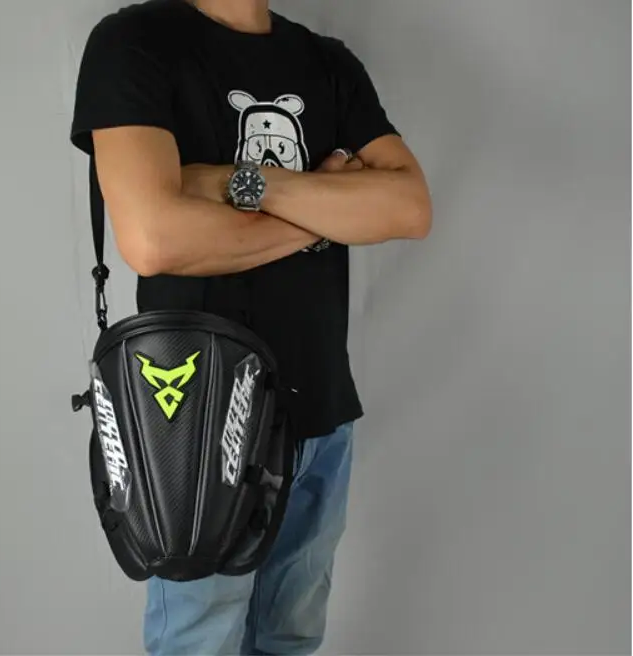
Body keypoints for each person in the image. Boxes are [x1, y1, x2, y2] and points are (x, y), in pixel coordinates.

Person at [70, 0, 432, 653]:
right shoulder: (134, 42)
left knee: (290, 638)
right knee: (199, 642)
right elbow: (153, 238)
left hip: (321, 414)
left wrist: (242, 184)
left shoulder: (328, 63)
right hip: (196, 421)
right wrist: (327, 211)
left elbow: (408, 206)